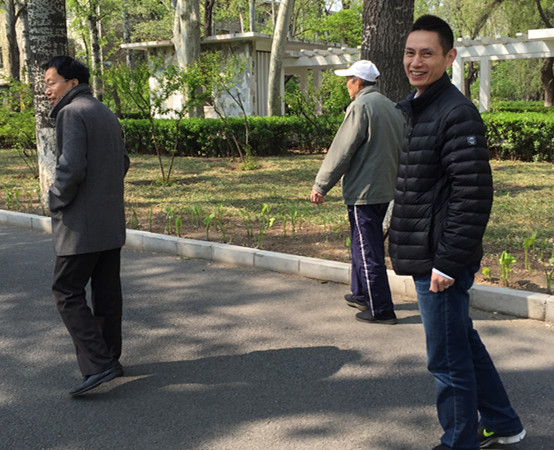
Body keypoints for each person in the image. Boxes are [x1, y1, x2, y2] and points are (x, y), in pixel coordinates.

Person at [389, 15, 525, 449]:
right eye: (410, 52)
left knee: (447, 360)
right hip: (430, 252)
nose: (416, 61)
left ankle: (458, 441)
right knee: (462, 343)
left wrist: (447, 262)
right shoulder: (422, 106)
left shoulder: (456, 112)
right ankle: (503, 423)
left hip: (440, 260)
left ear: (449, 57)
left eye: (427, 53)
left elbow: (473, 194)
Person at [43, 56, 130, 396]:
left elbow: (71, 168)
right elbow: (123, 161)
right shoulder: (104, 111)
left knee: (66, 291)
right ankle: (110, 357)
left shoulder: (71, 112)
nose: (47, 90)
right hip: (109, 220)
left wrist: (55, 198)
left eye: (51, 82)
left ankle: (99, 363)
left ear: (73, 83)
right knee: (107, 292)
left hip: (81, 225)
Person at [310, 60, 405, 325]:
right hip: (386, 188)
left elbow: (342, 150)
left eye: (348, 80)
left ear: (358, 82)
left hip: (365, 191)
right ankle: (361, 294)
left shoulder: (360, 106)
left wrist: (321, 185)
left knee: (367, 250)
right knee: (362, 244)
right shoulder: (392, 107)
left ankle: (381, 309)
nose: (346, 85)